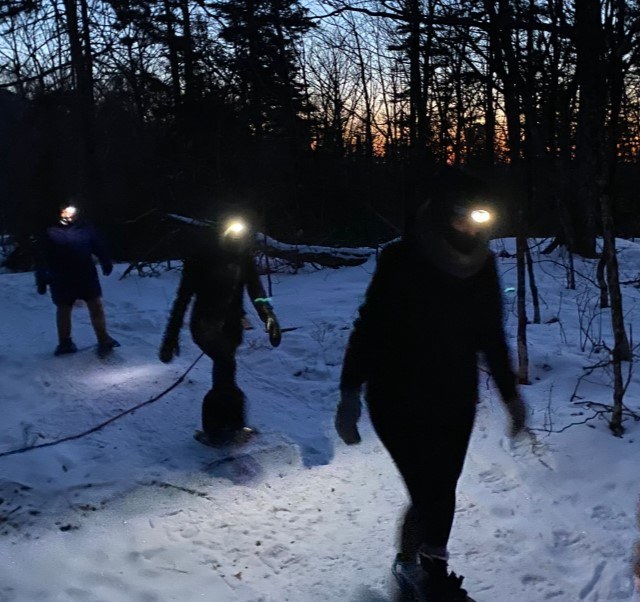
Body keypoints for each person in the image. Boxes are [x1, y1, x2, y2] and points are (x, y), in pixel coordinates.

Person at [334, 169, 527, 602]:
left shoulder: (483, 265)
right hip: (396, 395)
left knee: (441, 490)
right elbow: (369, 327)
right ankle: (418, 573)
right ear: (443, 211)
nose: (471, 224)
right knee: (430, 491)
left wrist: (511, 396)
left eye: (479, 217)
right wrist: (349, 394)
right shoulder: (402, 258)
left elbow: (490, 335)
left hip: (454, 397)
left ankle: (422, 568)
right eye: (463, 214)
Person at [159, 216, 282, 443]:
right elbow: (182, 299)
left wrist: (269, 317)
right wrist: (170, 337)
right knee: (226, 370)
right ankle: (216, 430)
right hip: (204, 326)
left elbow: (256, 291)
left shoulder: (243, 257)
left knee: (226, 373)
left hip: (232, 326)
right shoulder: (201, 257)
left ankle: (232, 425)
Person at [35, 205, 119, 357]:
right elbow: (41, 257)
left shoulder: (84, 227)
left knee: (96, 306)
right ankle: (65, 342)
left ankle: (103, 339)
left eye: (71, 211)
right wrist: (41, 278)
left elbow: (96, 244)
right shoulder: (48, 231)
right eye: (65, 212)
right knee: (64, 308)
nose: (68, 215)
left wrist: (105, 260)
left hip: (86, 274)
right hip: (61, 276)